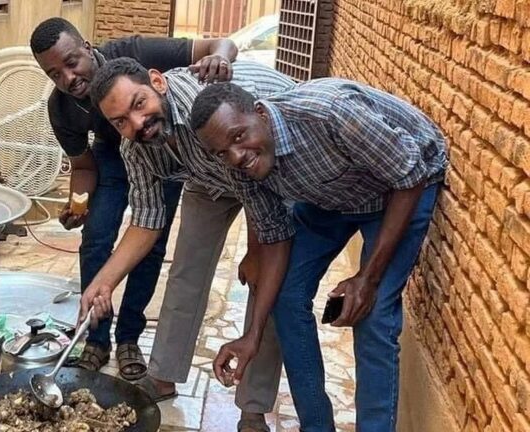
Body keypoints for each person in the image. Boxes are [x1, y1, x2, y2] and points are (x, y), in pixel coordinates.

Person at [189, 81, 448, 431]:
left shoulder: (330, 112)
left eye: (239, 136)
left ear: (260, 113)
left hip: (401, 188)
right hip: (331, 196)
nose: (236, 156)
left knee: (372, 313)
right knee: (285, 296)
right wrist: (253, 334)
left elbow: (410, 171)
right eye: (222, 152)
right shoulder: (240, 168)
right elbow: (275, 239)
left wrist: (367, 278)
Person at [83, 57, 296, 432]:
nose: (137, 123)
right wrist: (104, 282)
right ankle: (163, 376)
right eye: (121, 121)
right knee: (186, 270)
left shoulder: (204, 105)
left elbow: (262, 189)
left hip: (268, 165)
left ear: (157, 82)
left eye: (138, 104)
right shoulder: (136, 147)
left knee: (267, 283)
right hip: (208, 175)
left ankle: (252, 409)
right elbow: (147, 219)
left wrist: (255, 250)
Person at [29, 17, 238, 381]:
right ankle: (96, 339)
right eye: (54, 74)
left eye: (71, 63)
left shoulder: (133, 53)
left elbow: (219, 44)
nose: (68, 78)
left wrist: (219, 58)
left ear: (87, 46)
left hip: (160, 149)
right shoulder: (61, 108)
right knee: (96, 239)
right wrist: (79, 203)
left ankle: (129, 337)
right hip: (112, 160)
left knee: (150, 243)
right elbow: (83, 166)